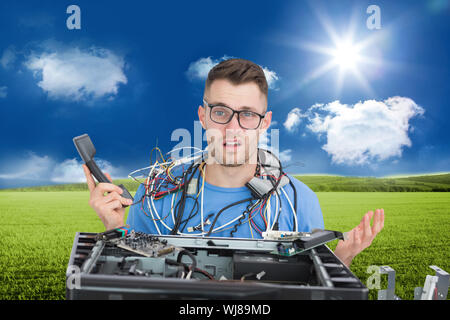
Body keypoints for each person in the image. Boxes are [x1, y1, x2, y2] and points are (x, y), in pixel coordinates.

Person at [83, 58, 384, 267]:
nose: (233, 128)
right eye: (221, 112)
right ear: (203, 116)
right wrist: (115, 227)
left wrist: (341, 260)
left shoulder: (298, 201)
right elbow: (137, 278)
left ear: (264, 123)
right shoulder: (157, 191)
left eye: (248, 114)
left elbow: (311, 287)